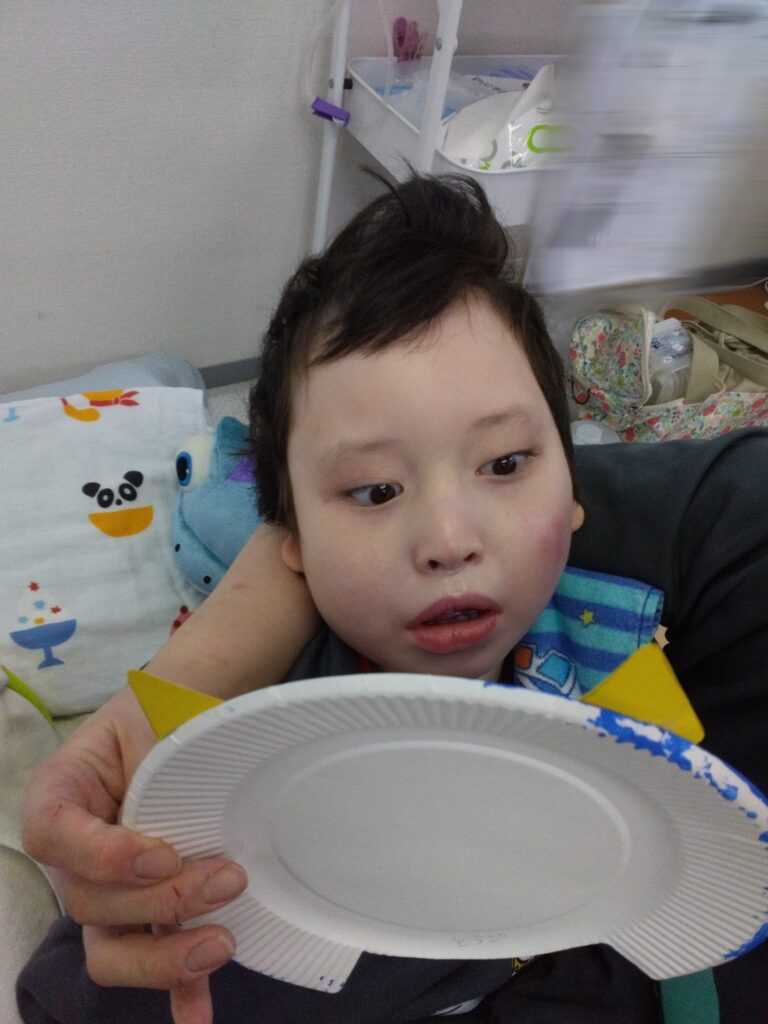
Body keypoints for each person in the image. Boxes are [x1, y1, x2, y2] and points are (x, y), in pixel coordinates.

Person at [17, 174, 768, 1024]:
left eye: (504, 464)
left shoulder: (637, 604)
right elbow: (82, 987)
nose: (448, 539)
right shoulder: (262, 743)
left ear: (573, 484)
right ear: (292, 543)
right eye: (375, 491)